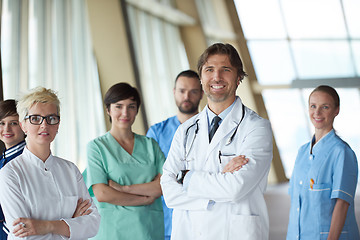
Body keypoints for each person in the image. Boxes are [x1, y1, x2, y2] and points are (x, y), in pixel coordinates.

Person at [160, 43, 273, 240]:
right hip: (190, 232)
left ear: (238, 77)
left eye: (225, 70)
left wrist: (186, 177)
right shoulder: (185, 130)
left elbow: (235, 187)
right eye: (209, 70)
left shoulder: (256, 128)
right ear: (201, 78)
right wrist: (221, 177)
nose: (216, 77)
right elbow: (169, 192)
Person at [0, 87, 100, 239]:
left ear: (58, 125)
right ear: (23, 125)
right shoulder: (10, 173)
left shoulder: (70, 170)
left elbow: (93, 224)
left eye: (51, 118)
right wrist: (72, 225)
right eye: (35, 118)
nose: (44, 125)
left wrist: (47, 226)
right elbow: (24, 236)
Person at [85, 82, 165, 239]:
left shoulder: (150, 145)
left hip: (148, 229)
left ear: (137, 110)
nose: (125, 113)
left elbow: (163, 186)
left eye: (131, 106)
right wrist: (145, 200)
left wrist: (123, 189)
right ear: (108, 110)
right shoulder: (96, 147)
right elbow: (102, 193)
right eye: (118, 106)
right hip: (113, 231)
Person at [287, 85, 359, 240]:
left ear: (336, 110)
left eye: (325, 107)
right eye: (313, 106)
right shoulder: (302, 152)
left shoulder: (342, 152)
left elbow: (342, 204)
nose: (317, 113)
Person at [146, 70, 203, 240]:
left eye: (193, 91)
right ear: (174, 92)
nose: (187, 96)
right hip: (166, 220)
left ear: (201, 93)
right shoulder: (157, 132)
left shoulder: (212, 130)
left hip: (203, 214)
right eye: (182, 91)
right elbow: (152, 179)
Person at [0, 100, 26, 239]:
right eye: (2, 123)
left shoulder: (28, 160)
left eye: (13, 123)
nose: (6, 129)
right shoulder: (3, 160)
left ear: (24, 126)